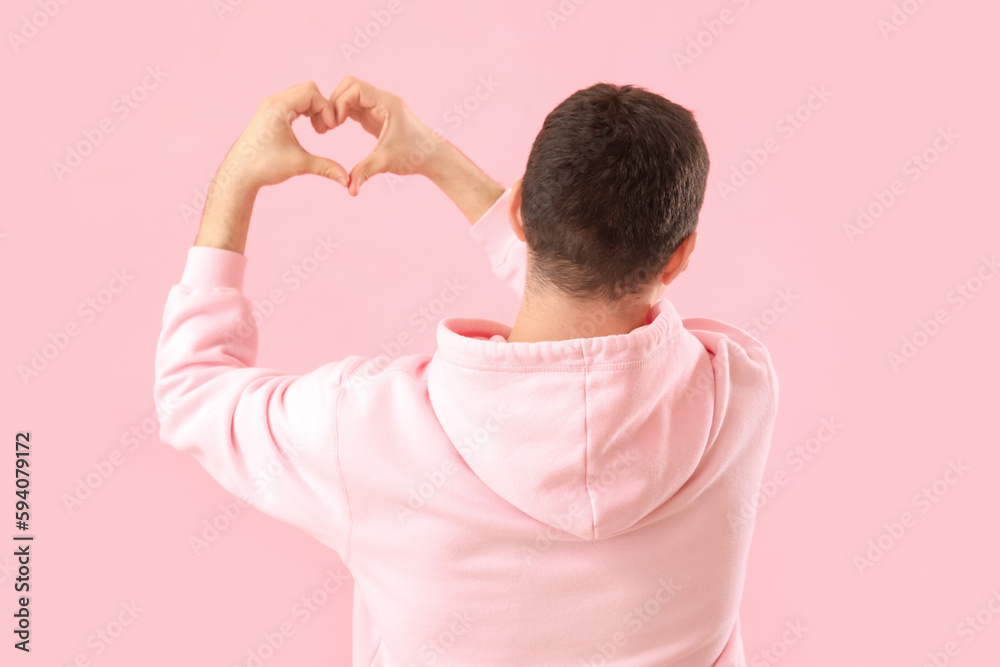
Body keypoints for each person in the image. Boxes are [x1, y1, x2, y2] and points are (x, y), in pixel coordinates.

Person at [153, 76, 779, 666]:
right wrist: (434, 158)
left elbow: (192, 389)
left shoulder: (366, 429)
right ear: (680, 258)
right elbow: (598, 320)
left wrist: (237, 179)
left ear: (519, 218)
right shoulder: (739, 394)